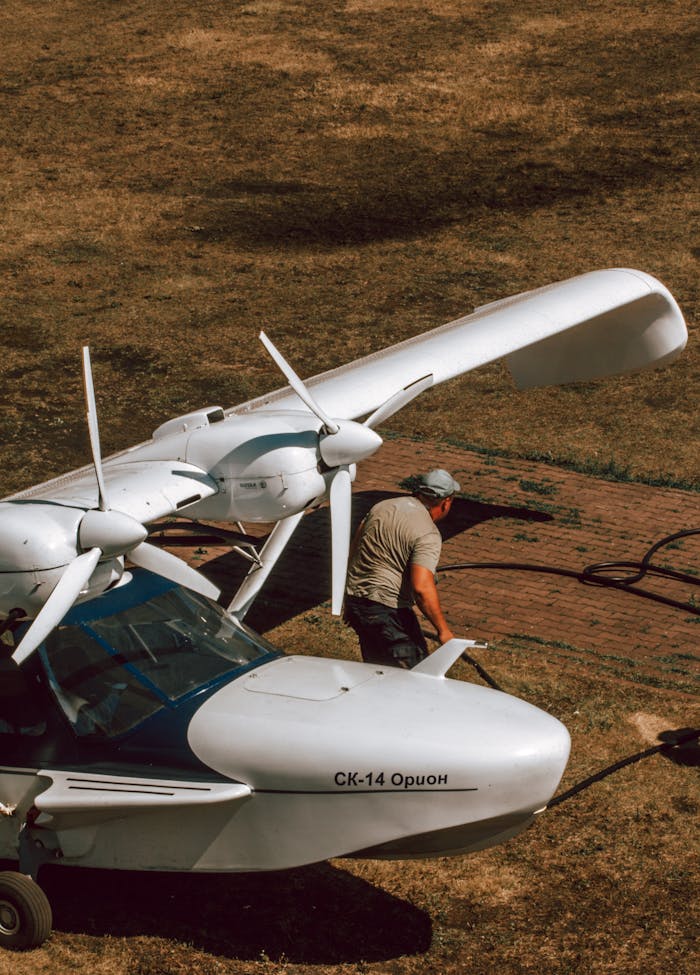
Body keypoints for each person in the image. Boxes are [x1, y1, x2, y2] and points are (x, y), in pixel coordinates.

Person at [343, 469, 460, 669]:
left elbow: (354, 550)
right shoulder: (428, 533)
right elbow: (422, 588)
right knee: (414, 674)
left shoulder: (382, 506)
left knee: (377, 669)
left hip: (356, 602)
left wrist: (348, 598)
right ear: (446, 502)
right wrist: (443, 631)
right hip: (386, 610)